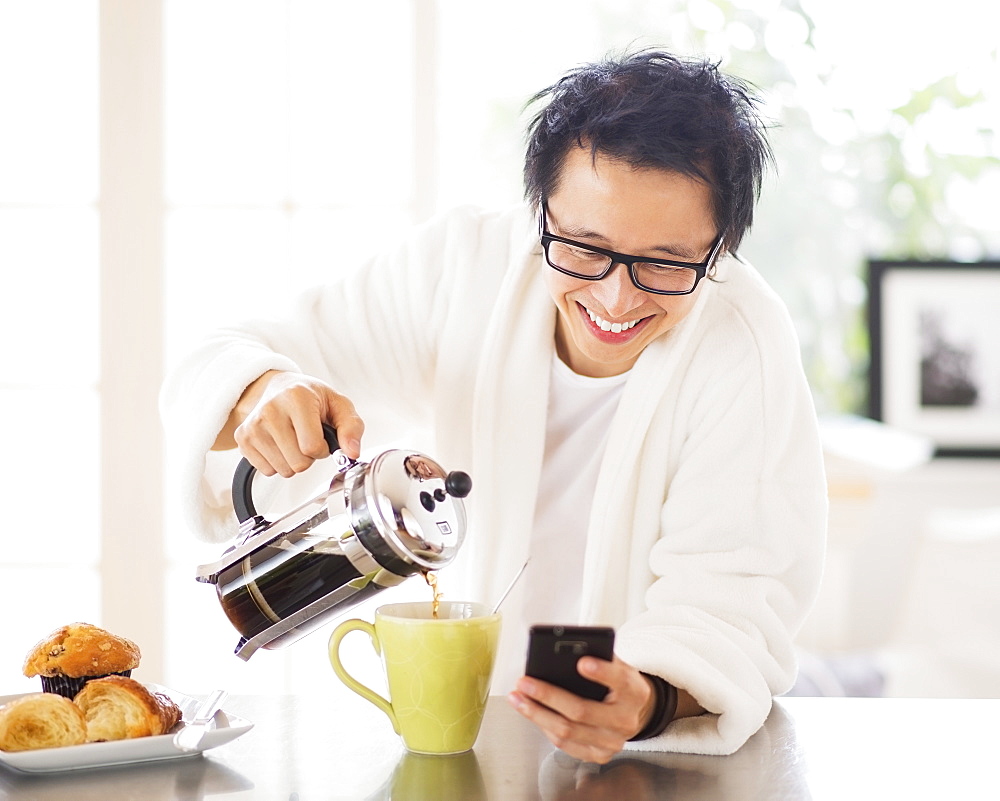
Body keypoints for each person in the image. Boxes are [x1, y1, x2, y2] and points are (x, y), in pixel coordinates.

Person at [160, 49, 827, 762]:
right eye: (584, 247)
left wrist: (651, 695)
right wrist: (263, 389)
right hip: (472, 741)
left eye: (665, 263)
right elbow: (220, 355)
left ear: (719, 248)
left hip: (644, 758)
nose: (615, 298)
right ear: (539, 210)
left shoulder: (743, 346)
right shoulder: (465, 267)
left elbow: (734, 601)